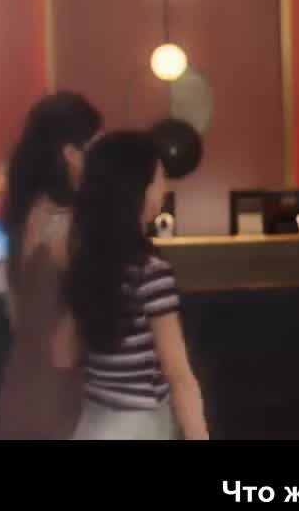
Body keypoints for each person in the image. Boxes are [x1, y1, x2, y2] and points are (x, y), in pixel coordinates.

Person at [60, 130, 208, 440]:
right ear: (138, 190)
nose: (165, 187)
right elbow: (178, 376)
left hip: (93, 422)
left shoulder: (86, 263)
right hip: (139, 425)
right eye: (160, 178)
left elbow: (61, 354)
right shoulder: (150, 273)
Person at [0, 91, 102, 440]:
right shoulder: (74, 225)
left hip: (18, 391)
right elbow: (76, 338)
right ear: (70, 153)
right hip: (63, 398)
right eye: (94, 147)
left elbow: (16, 314)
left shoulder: (23, 218)